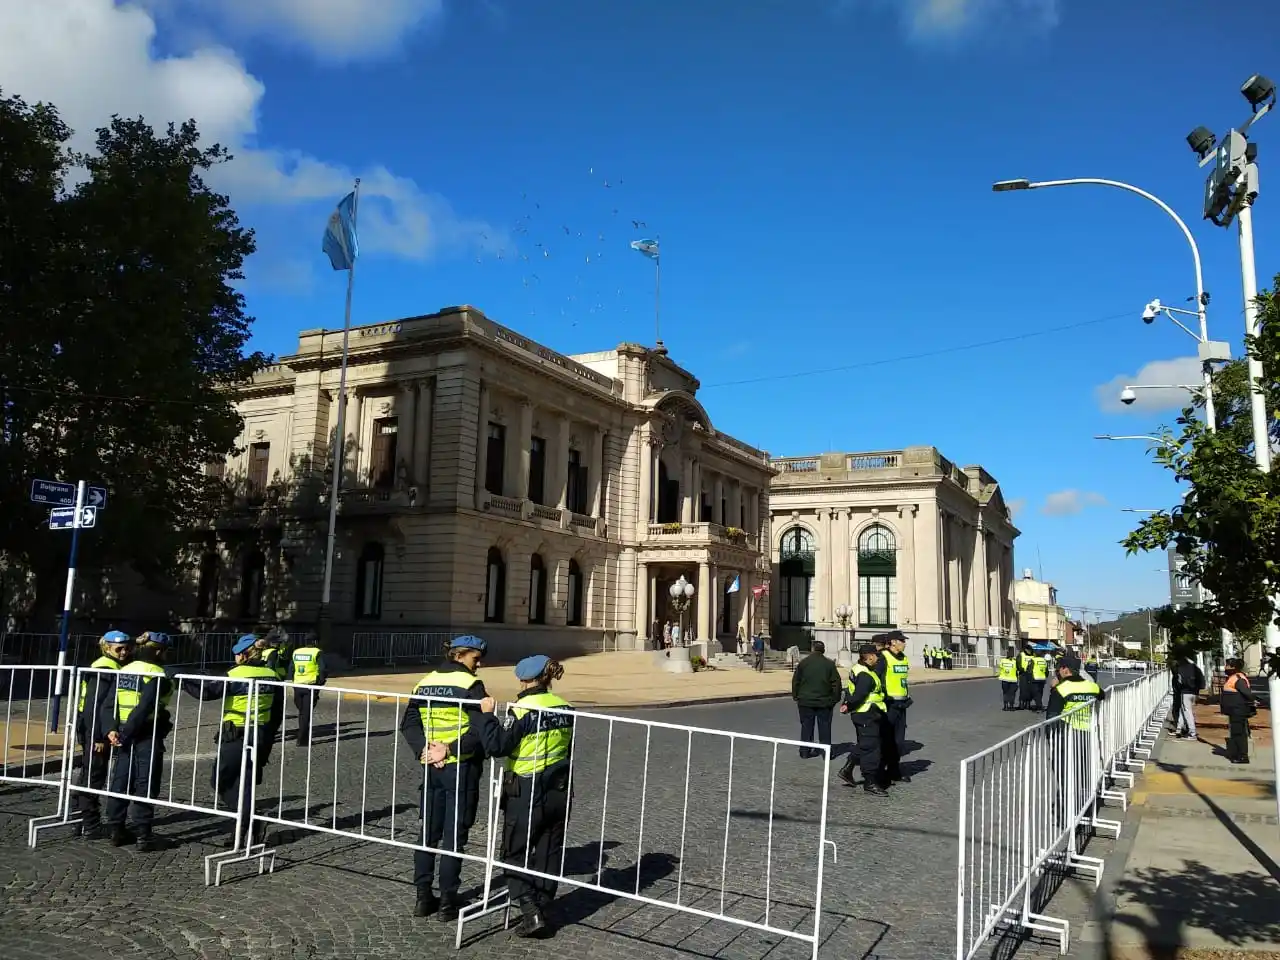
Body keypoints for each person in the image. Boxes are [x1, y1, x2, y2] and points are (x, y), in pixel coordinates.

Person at [473, 655, 575, 938]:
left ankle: (531, 911)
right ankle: (543, 907)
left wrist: (486, 717)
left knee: (513, 853)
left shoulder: (522, 710)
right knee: (548, 852)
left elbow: (497, 745)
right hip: (560, 789)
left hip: (527, 790)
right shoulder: (566, 707)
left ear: (523, 679)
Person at [400, 634, 489, 921]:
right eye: (476, 658)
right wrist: (448, 750)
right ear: (461, 656)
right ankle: (449, 901)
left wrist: (424, 750)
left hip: (431, 766)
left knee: (427, 833)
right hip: (459, 767)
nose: (479, 664)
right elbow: (478, 731)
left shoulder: (424, 681)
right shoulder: (470, 685)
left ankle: (423, 897)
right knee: (454, 837)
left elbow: (410, 723)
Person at [182, 633, 282, 848]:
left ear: (244, 654)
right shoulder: (272, 675)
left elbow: (207, 693)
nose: (235, 657)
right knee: (244, 783)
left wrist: (183, 680)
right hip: (261, 734)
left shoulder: (237, 674)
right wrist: (268, 741)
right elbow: (277, 712)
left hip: (236, 735)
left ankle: (251, 819)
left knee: (221, 780)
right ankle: (244, 829)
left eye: (237, 653)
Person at [99, 631, 174, 851]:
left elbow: (109, 703)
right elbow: (144, 708)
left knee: (120, 780)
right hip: (145, 733)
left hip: (122, 731)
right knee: (146, 782)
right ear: (159, 651)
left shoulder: (126, 669)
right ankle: (143, 835)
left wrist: (111, 730)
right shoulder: (157, 673)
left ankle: (116, 830)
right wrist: (125, 733)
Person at [74, 629, 134, 839]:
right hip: (94, 729)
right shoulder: (104, 667)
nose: (124, 652)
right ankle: (90, 825)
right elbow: (94, 705)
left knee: (88, 773)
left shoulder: (113, 665)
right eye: (119, 648)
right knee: (94, 775)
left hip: (93, 728)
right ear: (107, 647)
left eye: (127, 648)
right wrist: (98, 737)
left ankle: (79, 821)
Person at [837, 644, 891, 795]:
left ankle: (848, 769)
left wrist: (847, 704)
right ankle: (870, 782)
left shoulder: (858, 669)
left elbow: (850, 690)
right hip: (867, 714)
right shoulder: (866, 675)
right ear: (871, 657)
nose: (878, 659)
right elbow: (859, 695)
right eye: (876, 656)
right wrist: (848, 705)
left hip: (864, 714)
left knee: (866, 744)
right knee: (871, 748)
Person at [791, 640, 842, 758]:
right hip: (824, 701)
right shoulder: (829, 664)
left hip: (805, 700)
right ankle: (825, 752)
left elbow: (796, 681)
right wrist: (835, 699)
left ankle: (804, 751)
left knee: (806, 726)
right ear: (823, 650)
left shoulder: (804, 663)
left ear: (812, 649)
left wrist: (796, 696)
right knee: (825, 727)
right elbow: (836, 683)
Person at [287, 634, 328, 746]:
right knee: (306, 713)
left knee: (302, 712)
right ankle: (302, 739)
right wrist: (320, 683)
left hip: (297, 685)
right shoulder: (317, 652)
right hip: (310, 685)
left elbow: (291, 667)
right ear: (315, 642)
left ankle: (302, 735)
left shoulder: (297, 652)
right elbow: (323, 669)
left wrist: (293, 680)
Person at [879, 631, 912, 757]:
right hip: (889, 702)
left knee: (899, 737)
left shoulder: (904, 657)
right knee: (886, 736)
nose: (905, 643)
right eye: (902, 641)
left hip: (902, 702)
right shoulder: (883, 657)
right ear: (893, 642)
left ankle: (893, 765)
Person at [1220, 658, 1257, 764]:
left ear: (1233, 667)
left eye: (1227, 665)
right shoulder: (1232, 678)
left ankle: (1242, 756)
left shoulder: (1238, 678)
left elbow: (1247, 693)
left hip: (1238, 711)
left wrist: (1253, 701)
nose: (1225, 667)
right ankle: (1236, 754)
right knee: (1236, 733)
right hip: (1234, 710)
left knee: (1239, 733)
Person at [1174, 654, 1205, 741]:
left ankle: (1192, 732)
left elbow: (1180, 681)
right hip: (1194, 692)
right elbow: (1202, 681)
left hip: (1185, 692)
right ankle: (1179, 728)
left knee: (1187, 711)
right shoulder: (1196, 668)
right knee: (1184, 710)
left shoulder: (1182, 669)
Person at [1016, 643, 1034, 710]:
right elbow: (1018, 664)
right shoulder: (1021, 655)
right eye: (1029, 650)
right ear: (1026, 650)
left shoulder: (1033, 656)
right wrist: (1022, 669)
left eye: (1031, 650)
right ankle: (1021, 704)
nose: (1030, 651)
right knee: (1023, 689)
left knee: (1030, 690)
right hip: (1023, 674)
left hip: (1031, 674)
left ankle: (1028, 703)